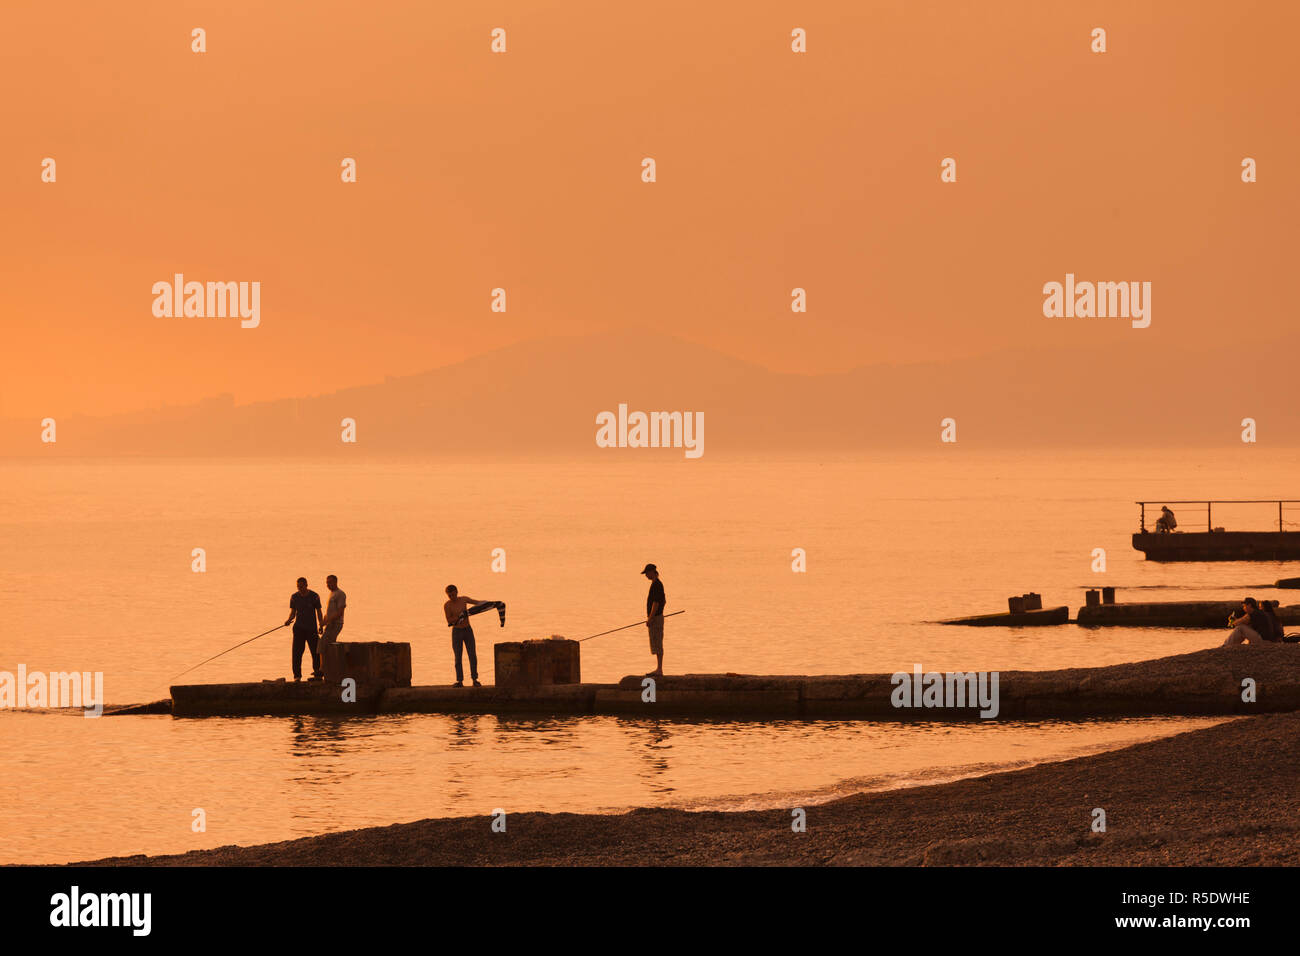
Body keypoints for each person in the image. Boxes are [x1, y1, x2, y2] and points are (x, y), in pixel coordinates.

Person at [443, 585, 488, 687]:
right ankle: (459, 681)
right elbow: (449, 620)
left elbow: (477, 603)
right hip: (456, 632)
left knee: (472, 655)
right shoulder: (447, 605)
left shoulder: (463, 600)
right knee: (458, 657)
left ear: (457, 592)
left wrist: (489, 603)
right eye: (449, 595)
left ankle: (475, 679)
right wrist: (460, 617)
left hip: (468, 630)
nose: (452, 597)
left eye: (453, 594)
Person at [285, 577, 324, 681]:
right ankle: (297, 676)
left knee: (315, 652)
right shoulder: (294, 597)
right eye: (298, 587)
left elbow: (319, 612)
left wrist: (321, 624)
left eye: (301, 586)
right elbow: (293, 612)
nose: (300, 588)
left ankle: (317, 673)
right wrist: (289, 620)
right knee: (297, 653)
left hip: (312, 629)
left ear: (306, 585)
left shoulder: (314, 596)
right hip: (299, 629)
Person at [318, 574, 347, 672]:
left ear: (335, 582)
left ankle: (324, 669)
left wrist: (327, 621)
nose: (328, 584)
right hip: (329, 624)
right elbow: (328, 612)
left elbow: (340, 612)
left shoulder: (340, 594)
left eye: (329, 582)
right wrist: (322, 623)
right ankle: (325, 668)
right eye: (327, 583)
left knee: (325, 644)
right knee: (324, 644)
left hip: (336, 624)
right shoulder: (331, 594)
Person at [642, 563, 666, 676]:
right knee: (656, 643)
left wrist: (651, 618)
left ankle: (659, 669)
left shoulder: (657, 585)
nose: (646, 575)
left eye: (646, 573)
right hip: (656, 617)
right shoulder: (655, 584)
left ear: (652, 572)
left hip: (656, 618)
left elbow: (656, 603)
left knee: (658, 642)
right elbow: (663, 601)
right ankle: (658, 668)